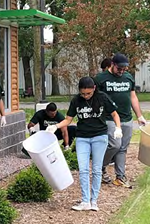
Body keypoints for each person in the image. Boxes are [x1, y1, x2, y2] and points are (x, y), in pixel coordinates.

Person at [47, 77, 122, 211]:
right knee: (83, 169)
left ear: (94, 88)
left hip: (100, 136)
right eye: (83, 93)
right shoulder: (76, 100)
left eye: (88, 93)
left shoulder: (102, 97)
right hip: (82, 137)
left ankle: (94, 201)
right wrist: (56, 126)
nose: (85, 96)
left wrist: (118, 127)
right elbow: (68, 119)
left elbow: (115, 114)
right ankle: (85, 200)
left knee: (97, 169)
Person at [95, 53, 147, 187]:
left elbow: (133, 97)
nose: (122, 72)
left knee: (123, 148)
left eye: (124, 69)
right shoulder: (101, 79)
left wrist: (139, 116)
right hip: (109, 118)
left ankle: (120, 177)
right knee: (115, 145)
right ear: (112, 64)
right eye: (119, 69)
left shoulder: (128, 78)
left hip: (126, 118)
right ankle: (100, 167)